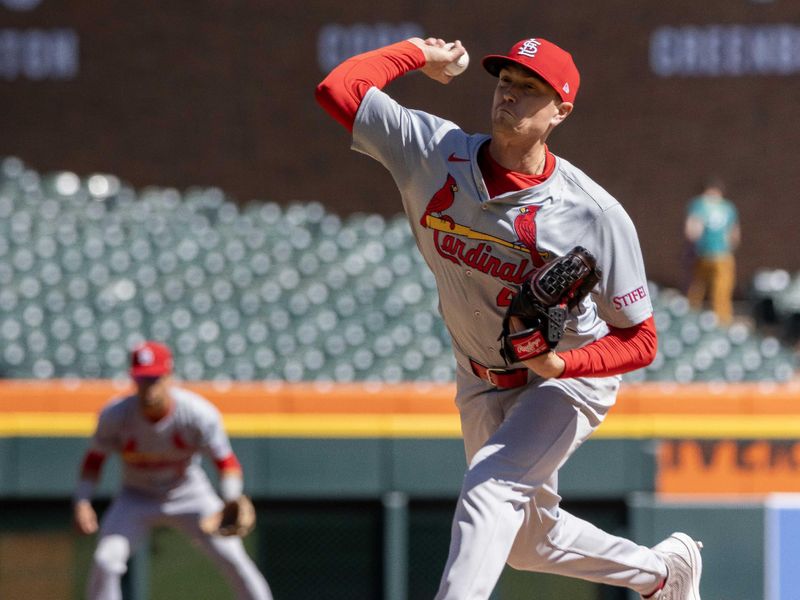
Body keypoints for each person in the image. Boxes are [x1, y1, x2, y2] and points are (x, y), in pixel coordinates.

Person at [317, 36, 702, 599]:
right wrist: (418, 53)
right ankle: (662, 576)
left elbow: (640, 340)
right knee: (526, 544)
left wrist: (561, 361)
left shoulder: (594, 213)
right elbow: (339, 89)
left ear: (560, 112)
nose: (510, 96)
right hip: (478, 375)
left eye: (530, 90)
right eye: (506, 83)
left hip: (566, 380)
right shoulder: (432, 151)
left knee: (490, 489)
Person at [73, 340, 272, 600]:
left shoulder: (198, 413)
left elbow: (227, 463)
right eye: (142, 379)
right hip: (136, 496)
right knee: (106, 560)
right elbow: (93, 461)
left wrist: (231, 497)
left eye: (155, 378)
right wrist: (82, 500)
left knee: (234, 557)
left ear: (169, 376)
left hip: (188, 492)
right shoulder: (115, 415)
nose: (148, 386)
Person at [684, 178, 740, 325]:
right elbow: (734, 234)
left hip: (707, 253)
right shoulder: (727, 207)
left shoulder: (700, 204)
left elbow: (692, 230)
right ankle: (722, 321)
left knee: (701, 288)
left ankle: (692, 318)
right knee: (715, 290)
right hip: (719, 254)